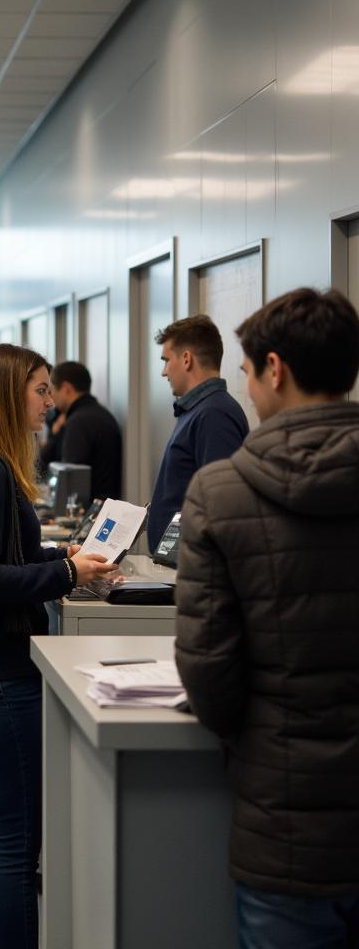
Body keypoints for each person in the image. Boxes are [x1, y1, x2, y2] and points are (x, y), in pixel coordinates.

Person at [174, 289, 359, 949]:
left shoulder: (221, 492)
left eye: (248, 373)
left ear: (274, 369)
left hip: (286, 829)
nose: (245, 390)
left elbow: (209, 669)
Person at [0, 343, 117, 949]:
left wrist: (59, 555)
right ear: (12, 394)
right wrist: (66, 576)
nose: (48, 401)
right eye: (40, 390)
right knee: (15, 846)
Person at [148, 314, 249, 551]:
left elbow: (221, 505)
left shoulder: (215, 414)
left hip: (195, 569)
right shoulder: (195, 411)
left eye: (166, 360)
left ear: (186, 359)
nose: (164, 372)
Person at [48, 361, 123, 502]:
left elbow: (70, 483)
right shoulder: (101, 414)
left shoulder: (78, 423)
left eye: (52, 391)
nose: (50, 399)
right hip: (105, 508)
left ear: (66, 389)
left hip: (89, 515)